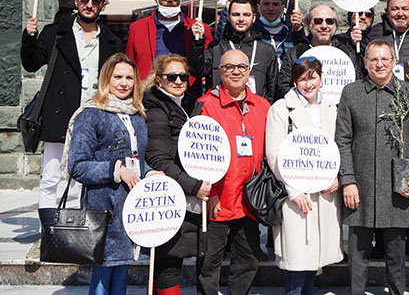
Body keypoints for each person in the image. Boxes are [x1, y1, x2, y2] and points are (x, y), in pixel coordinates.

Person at [21, 0, 124, 210]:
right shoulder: (55, 33)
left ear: (103, 6)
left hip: (93, 117)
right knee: (50, 178)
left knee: (85, 179)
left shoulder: (112, 41)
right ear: (76, 2)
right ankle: (47, 233)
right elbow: (31, 63)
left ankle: (78, 230)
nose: (89, 5)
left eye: (95, 1)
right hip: (60, 116)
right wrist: (29, 36)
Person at [335, 39, 409, 295]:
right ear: (365, 63)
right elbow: (343, 139)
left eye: (385, 59)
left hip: (397, 183)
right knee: (358, 254)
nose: (380, 64)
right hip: (360, 183)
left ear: (394, 62)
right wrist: (348, 180)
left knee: (396, 253)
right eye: (374, 59)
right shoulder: (351, 92)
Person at [66, 53, 157, 295]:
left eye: (129, 77)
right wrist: (115, 170)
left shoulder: (137, 115)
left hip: (130, 208)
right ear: (107, 78)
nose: (124, 83)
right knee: (104, 270)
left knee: (122, 269)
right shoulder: (91, 113)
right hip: (103, 209)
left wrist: (150, 174)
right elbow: (77, 165)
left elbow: (137, 159)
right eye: (117, 77)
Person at [360, 0, 409, 258]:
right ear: (387, 12)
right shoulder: (375, 35)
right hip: (381, 112)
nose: (400, 13)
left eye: (405, 8)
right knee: (383, 180)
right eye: (394, 9)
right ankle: (382, 242)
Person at [195, 49, 271, 295]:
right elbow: (196, 154)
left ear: (249, 71)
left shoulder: (262, 105)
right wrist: (209, 191)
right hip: (219, 198)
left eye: (241, 67)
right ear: (220, 71)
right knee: (209, 263)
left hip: (250, 198)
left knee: (247, 260)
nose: (236, 71)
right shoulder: (206, 104)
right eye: (229, 67)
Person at [265, 57, 343, 295]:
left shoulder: (331, 107)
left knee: (314, 260)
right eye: (302, 79)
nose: (308, 84)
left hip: (325, 193)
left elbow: (338, 147)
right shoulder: (281, 108)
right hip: (296, 195)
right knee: (298, 259)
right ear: (294, 81)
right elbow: (274, 153)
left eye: (313, 78)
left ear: (321, 78)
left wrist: (335, 177)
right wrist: (294, 191)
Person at [142, 54, 208, 295]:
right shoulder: (155, 107)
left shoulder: (191, 104)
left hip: (189, 192)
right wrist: (193, 185)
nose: (178, 81)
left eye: (183, 76)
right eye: (171, 76)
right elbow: (159, 158)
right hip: (170, 192)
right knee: (168, 261)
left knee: (175, 257)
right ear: (159, 79)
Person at [125, 0, 212, 93]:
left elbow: (206, 69)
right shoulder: (137, 28)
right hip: (149, 97)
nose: (170, 0)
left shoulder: (198, 29)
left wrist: (198, 39)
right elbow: (129, 68)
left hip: (186, 97)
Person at [189, 0, 279, 103]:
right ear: (228, 17)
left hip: (254, 112)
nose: (241, 19)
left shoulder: (267, 51)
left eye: (246, 15)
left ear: (254, 18)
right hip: (221, 110)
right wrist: (198, 41)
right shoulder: (216, 47)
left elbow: (272, 89)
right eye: (236, 14)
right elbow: (197, 71)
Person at [278, 2, 361, 98]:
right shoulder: (296, 53)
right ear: (309, 24)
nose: (324, 26)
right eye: (318, 21)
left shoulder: (346, 53)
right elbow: (284, 86)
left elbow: (357, 85)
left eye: (330, 21)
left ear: (335, 25)